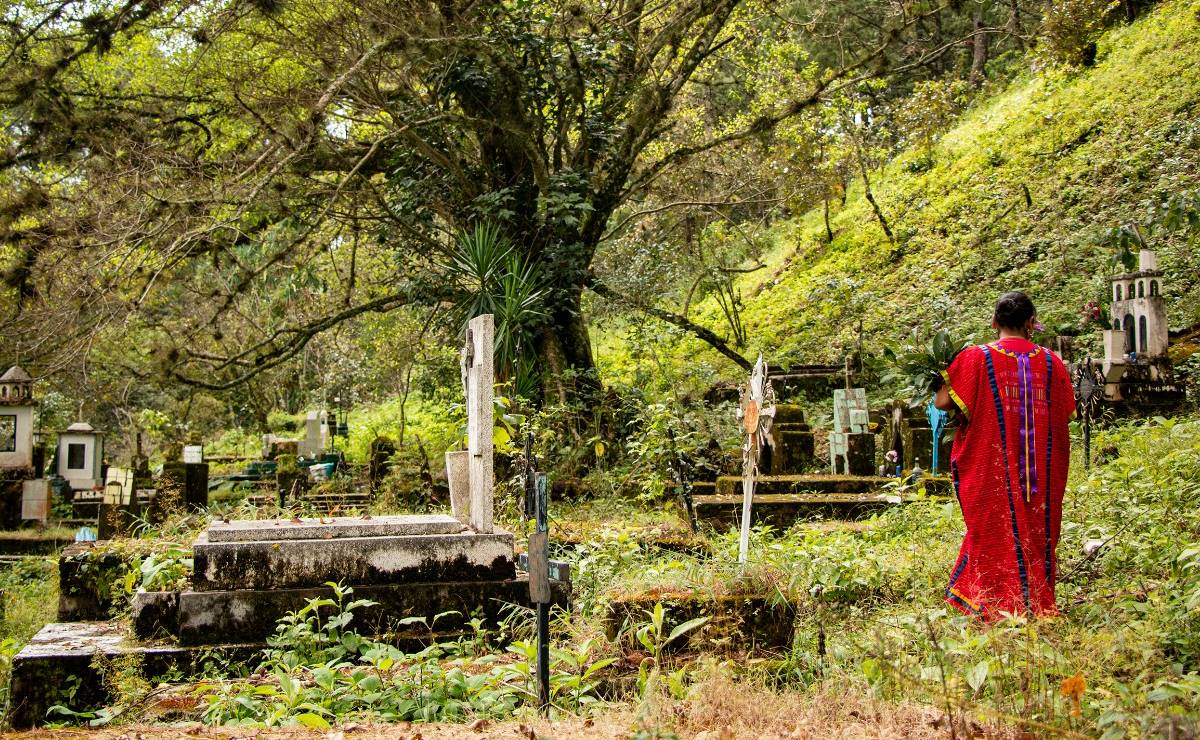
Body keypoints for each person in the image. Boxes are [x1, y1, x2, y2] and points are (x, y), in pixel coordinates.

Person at [933, 292, 1075, 620]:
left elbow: (942, 402)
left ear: (995, 322)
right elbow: (1064, 412)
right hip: (1042, 469)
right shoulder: (1052, 363)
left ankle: (997, 602)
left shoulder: (974, 359)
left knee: (993, 527)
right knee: (1037, 526)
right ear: (1030, 323)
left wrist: (942, 374)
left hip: (992, 467)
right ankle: (1034, 599)